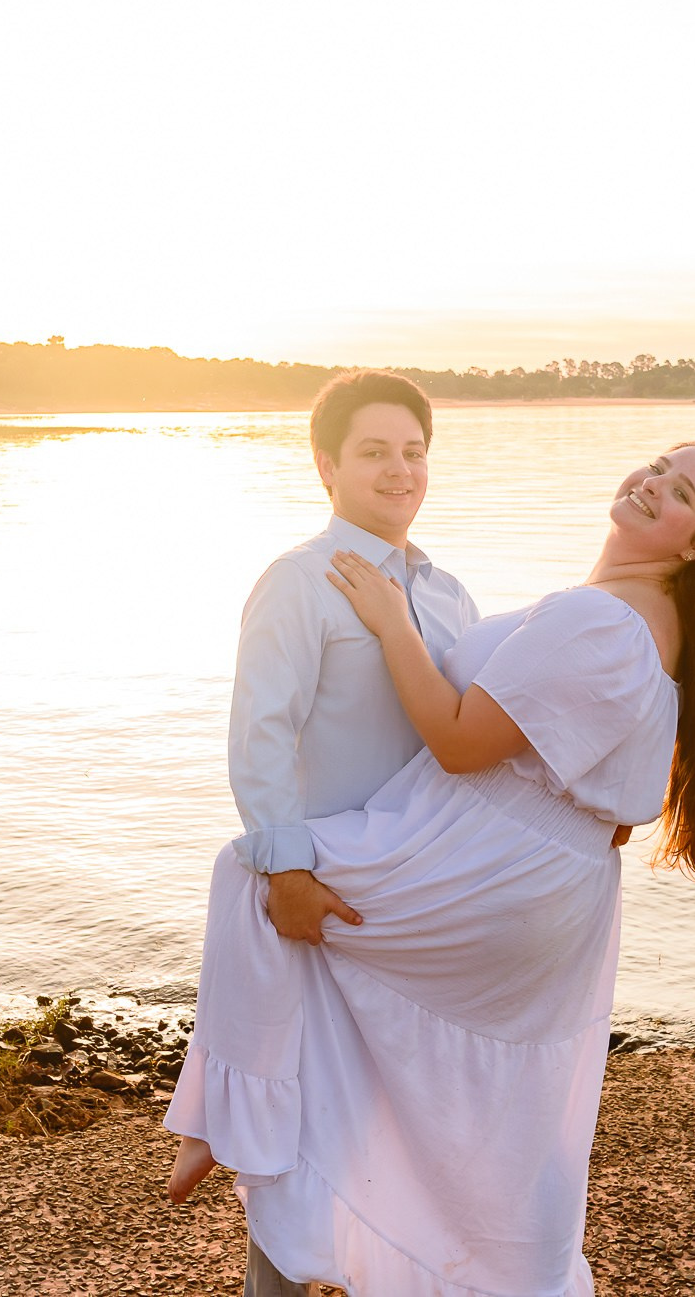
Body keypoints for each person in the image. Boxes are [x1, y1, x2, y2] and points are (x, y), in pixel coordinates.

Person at [165, 440, 695, 1296]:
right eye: (654, 466)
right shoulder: (651, 627)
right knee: (465, 1093)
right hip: (555, 882)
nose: (648, 485)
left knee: (255, 874)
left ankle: (227, 1121)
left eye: (679, 493)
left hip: (490, 859)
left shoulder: (599, 618)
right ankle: (254, 1128)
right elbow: (616, 812)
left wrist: (390, 620)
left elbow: (457, 742)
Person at [178, 370, 482, 1293]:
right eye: (375, 451)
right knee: (301, 1122)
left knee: (406, 1121)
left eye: (414, 451)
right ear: (327, 465)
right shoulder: (298, 580)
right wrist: (286, 868)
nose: (400, 470)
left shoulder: (451, 593)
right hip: (328, 890)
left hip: (413, 898)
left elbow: (466, 738)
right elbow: (259, 733)